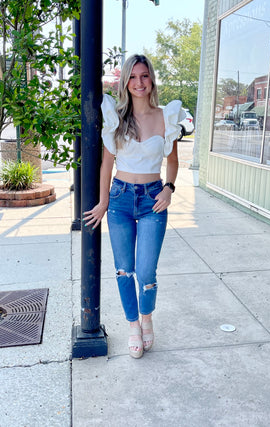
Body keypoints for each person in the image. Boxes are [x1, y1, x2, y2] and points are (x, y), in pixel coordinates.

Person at [83, 54, 185, 359]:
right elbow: (106, 165)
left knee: (146, 271)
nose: (139, 83)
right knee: (124, 270)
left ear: (151, 79)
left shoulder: (166, 116)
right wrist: (103, 202)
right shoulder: (116, 116)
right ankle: (132, 326)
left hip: (153, 198)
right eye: (133, 77)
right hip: (121, 199)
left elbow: (173, 161)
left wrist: (169, 188)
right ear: (125, 82)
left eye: (144, 76)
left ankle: (146, 317)